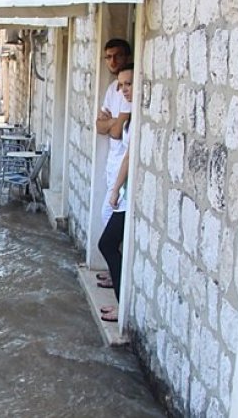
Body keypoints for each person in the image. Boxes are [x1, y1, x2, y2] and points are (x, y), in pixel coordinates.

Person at [98, 63, 134, 322]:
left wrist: (115, 190)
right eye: (121, 86)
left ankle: (123, 309)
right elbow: (106, 129)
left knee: (107, 244)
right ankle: (121, 305)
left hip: (128, 196)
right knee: (109, 244)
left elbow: (127, 153)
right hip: (124, 193)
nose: (124, 90)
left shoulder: (135, 116)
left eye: (129, 84)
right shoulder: (131, 115)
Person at [95, 38, 132, 288]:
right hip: (113, 166)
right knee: (107, 223)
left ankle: (118, 281)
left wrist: (112, 124)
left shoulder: (129, 92)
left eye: (117, 56)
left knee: (109, 232)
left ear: (127, 57)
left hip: (123, 171)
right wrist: (112, 123)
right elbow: (100, 126)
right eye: (108, 57)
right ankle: (115, 274)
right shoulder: (112, 88)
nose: (112, 61)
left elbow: (117, 132)